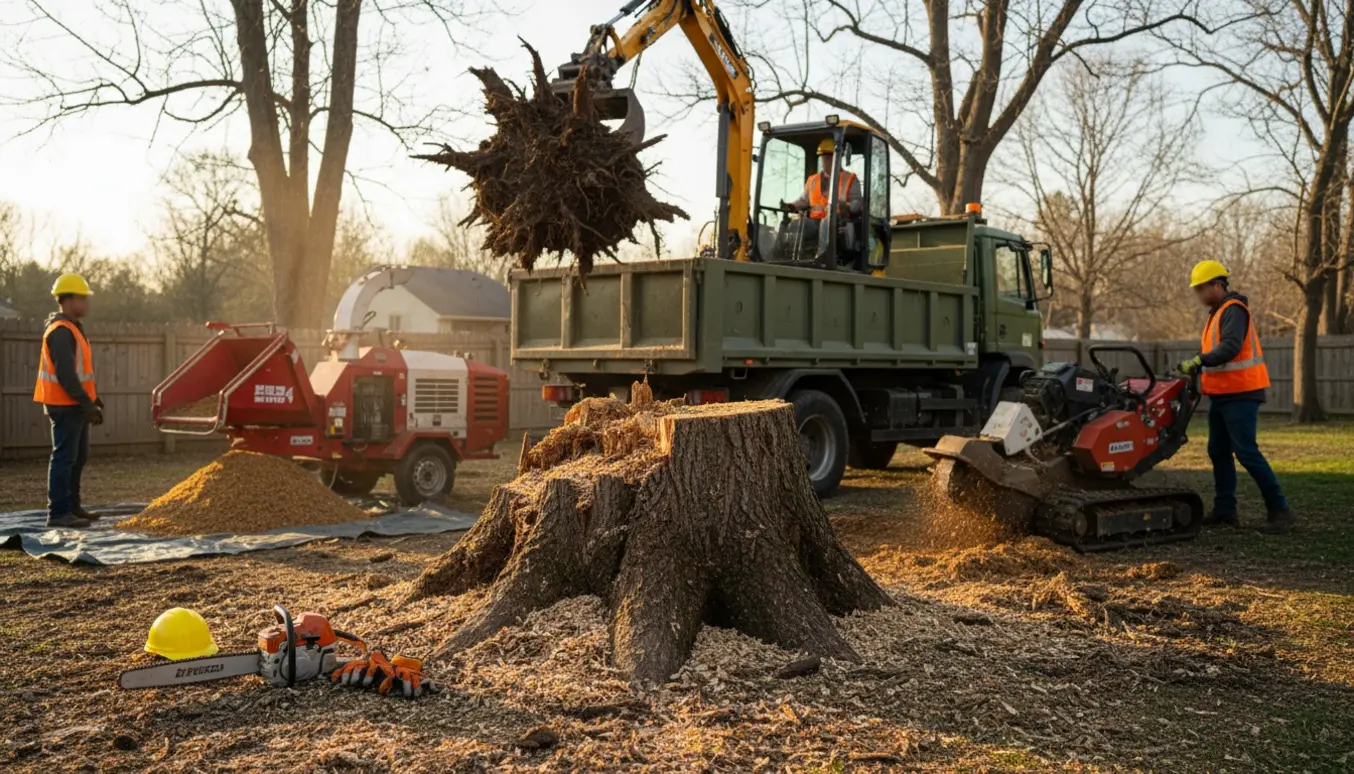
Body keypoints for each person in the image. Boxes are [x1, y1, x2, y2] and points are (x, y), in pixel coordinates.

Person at [1177, 260, 1294, 534]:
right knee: (1218, 451)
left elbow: (1230, 347)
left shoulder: (1234, 311)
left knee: (1246, 452)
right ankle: (1225, 510)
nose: (1198, 295)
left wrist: (1199, 360)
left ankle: (1280, 510)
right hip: (1223, 395)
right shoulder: (1217, 313)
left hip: (1241, 393)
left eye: (1201, 288)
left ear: (1217, 285)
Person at [33, 273, 104, 529]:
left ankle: (72, 507)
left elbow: (78, 371)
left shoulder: (73, 329)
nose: (86, 303)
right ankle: (59, 513)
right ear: (68, 300)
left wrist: (93, 399)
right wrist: (86, 404)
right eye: (82, 298)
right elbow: (65, 374)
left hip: (76, 404)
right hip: (64, 406)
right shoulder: (61, 332)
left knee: (79, 455)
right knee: (64, 457)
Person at [788, 137, 863, 220]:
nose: (826, 159)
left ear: (839, 157)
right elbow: (804, 200)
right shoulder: (812, 180)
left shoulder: (850, 179)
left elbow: (857, 205)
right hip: (812, 225)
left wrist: (845, 205)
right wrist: (792, 206)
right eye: (823, 155)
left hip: (838, 226)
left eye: (830, 155)